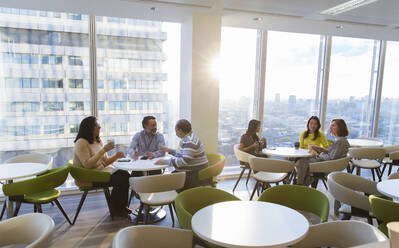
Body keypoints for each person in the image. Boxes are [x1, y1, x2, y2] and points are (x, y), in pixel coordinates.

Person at [73, 116, 131, 218]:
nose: (99, 127)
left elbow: (104, 162)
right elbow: (87, 165)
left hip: (100, 173)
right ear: (89, 127)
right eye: (97, 125)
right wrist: (103, 150)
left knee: (125, 175)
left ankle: (121, 207)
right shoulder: (81, 142)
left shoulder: (97, 141)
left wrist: (116, 156)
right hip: (88, 177)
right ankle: (116, 209)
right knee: (120, 179)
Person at [155, 119, 208, 191]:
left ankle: (176, 198)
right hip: (192, 170)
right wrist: (169, 150)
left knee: (167, 181)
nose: (175, 133)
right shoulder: (188, 138)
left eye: (176, 130)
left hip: (194, 173)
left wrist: (165, 162)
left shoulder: (190, 141)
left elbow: (183, 161)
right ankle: (175, 198)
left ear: (180, 130)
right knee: (170, 177)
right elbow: (183, 155)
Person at [296, 118, 350, 186]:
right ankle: (303, 183)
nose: (330, 127)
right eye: (331, 125)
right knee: (302, 161)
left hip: (326, 165)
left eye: (333, 125)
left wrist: (317, 155)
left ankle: (300, 184)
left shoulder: (340, 142)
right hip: (326, 162)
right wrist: (317, 148)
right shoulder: (341, 140)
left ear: (340, 127)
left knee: (302, 161)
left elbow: (331, 158)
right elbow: (331, 152)